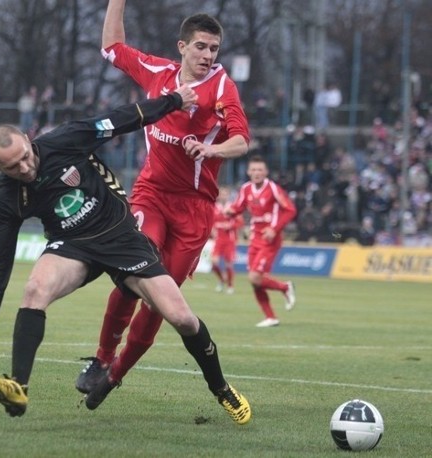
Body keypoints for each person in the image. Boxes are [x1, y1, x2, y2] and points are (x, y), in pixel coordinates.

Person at [0, 87, 251, 425]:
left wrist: (173, 100)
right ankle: (18, 386)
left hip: (121, 236)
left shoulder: (65, 140)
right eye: (13, 166)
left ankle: (220, 388)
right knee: (34, 290)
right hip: (72, 246)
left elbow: (121, 119)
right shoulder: (7, 199)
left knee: (182, 318)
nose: (25, 168)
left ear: (30, 140)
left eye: (27, 156)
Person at [75, 0, 249, 402]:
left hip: (195, 210)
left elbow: (241, 140)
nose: (208, 56)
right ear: (182, 47)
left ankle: (114, 377)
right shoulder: (158, 72)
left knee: (160, 303)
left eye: (214, 49)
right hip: (151, 194)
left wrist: (212, 152)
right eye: (201, 47)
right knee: (133, 271)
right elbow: (111, 47)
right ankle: (101, 359)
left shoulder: (222, 87)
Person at [225, 155, 297, 327]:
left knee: (255, 277)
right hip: (255, 237)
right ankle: (271, 317)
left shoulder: (272, 188)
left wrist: (274, 229)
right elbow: (239, 206)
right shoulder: (246, 189)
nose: (257, 172)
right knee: (254, 280)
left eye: (260, 170)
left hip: (270, 238)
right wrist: (230, 211)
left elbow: (290, 210)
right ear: (249, 172)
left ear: (266, 172)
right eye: (254, 169)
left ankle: (285, 287)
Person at [210, 187, 244, 294]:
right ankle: (221, 280)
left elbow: (240, 222)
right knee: (214, 262)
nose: (223, 196)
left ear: (228, 195)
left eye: (225, 194)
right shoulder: (214, 207)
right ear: (219, 195)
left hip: (230, 240)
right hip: (219, 239)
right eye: (222, 194)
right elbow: (210, 221)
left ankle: (230, 285)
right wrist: (212, 230)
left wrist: (230, 225)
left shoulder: (233, 208)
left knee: (228, 264)